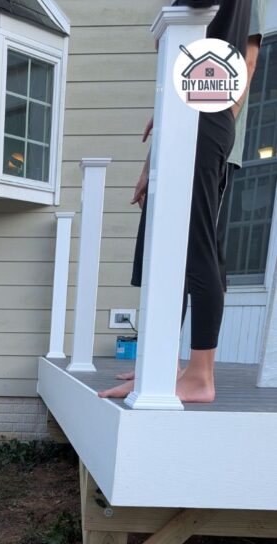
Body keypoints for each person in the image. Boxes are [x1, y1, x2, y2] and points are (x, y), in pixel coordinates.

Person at [100, 0, 254, 403]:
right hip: (195, 103)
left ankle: (199, 376)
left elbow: (197, 18)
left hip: (205, 107)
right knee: (167, 246)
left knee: (196, 247)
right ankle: (164, 364)